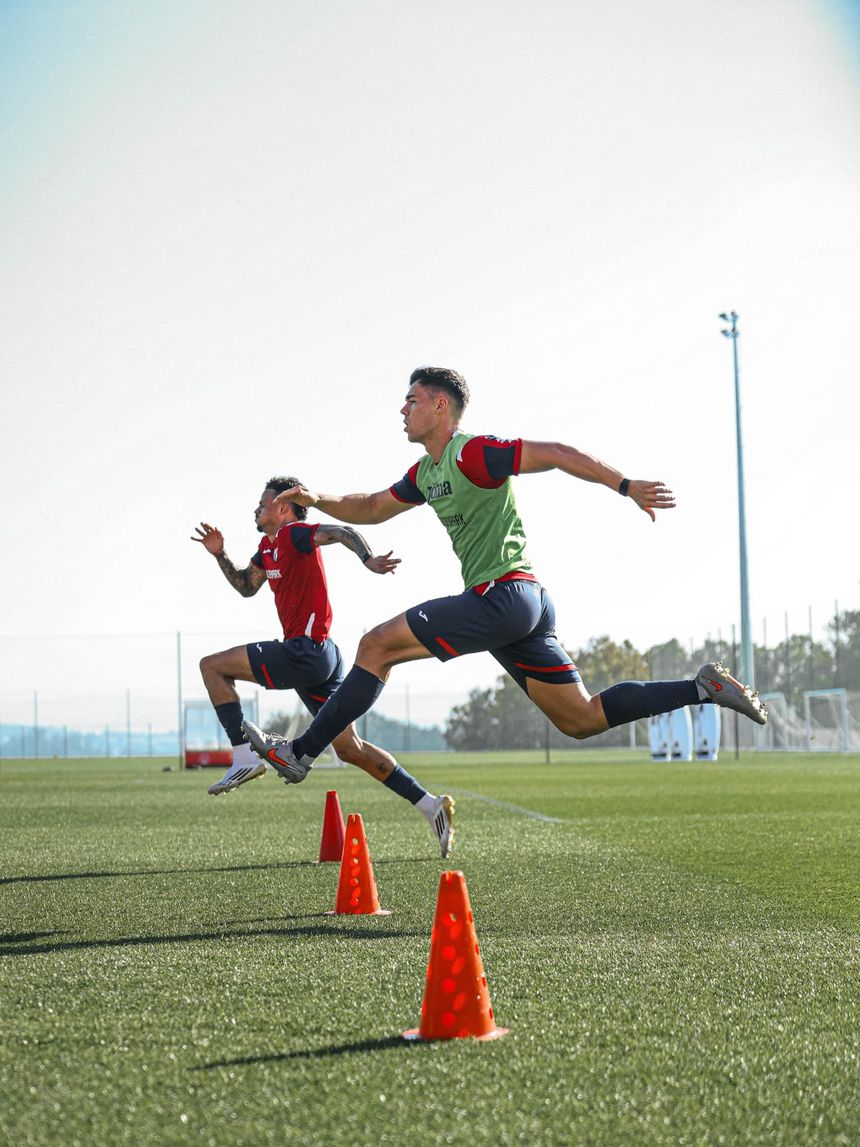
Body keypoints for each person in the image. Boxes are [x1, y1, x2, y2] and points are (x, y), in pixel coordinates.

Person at [242, 369, 767, 781]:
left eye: (412, 400)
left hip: (504, 595)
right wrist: (319, 498)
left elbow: (558, 454)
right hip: (523, 605)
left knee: (375, 645)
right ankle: (701, 688)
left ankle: (301, 753)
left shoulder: (473, 452)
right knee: (580, 719)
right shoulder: (426, 473)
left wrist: (625, 484)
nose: (402, 409)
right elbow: (374, 506)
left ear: (440, 405)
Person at [191, 475, 455, 857]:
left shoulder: (294, 533)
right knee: (350, 749)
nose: (256, 509)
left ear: (283, 508)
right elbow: (247, 586)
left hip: (306, 652)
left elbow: (340, 531)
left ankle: (244, 756)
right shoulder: (267, 549)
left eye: (263, 504)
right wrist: (220, 554)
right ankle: (430, 805)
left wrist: (368, 559)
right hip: (319, 658)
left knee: (211, 667)